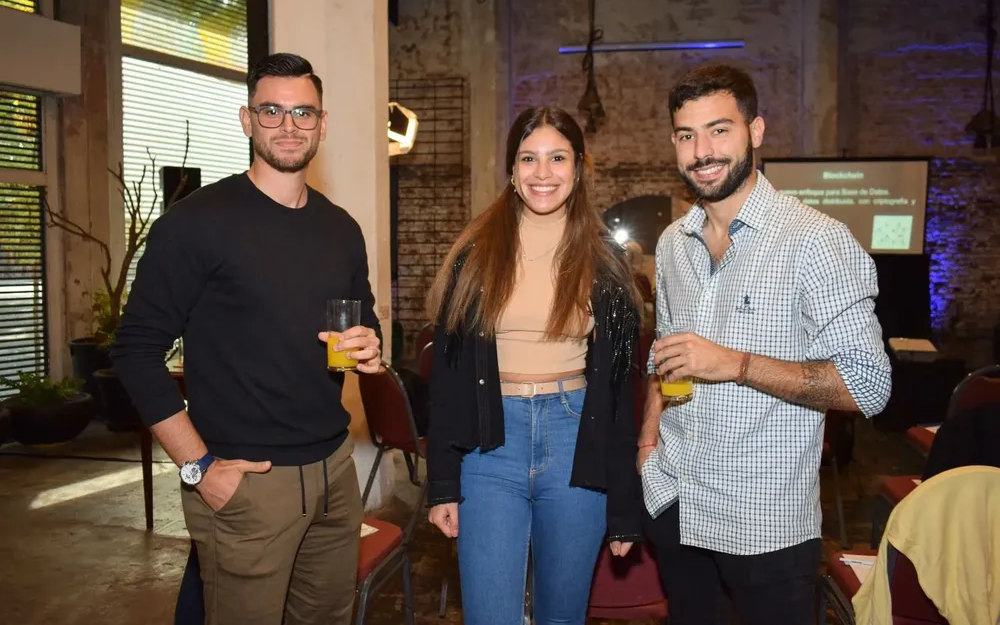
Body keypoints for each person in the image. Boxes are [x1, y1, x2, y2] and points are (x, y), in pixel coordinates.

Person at [112, 52, 383, 625]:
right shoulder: (196, 224)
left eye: (303, 112)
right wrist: (198, 469)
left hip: (335, 470)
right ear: (246, 120)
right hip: (247, 481)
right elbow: (135, 351)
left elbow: (365, 323)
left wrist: (371, 350)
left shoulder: (341, 228)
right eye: (272, 111)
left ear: (323, 124)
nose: (289, 125)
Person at [638, 64, 892, 625]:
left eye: (719, 130)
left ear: (756, 131)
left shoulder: (817, 241)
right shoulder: (672, 244)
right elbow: (665, 351)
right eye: (687, 135)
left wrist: (736, 364)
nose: (702, 151)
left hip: (765, 525)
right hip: (678, 503)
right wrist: (646, 448)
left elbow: (868, 387)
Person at [424, 106, 644, 625]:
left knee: (562, 616)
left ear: (579, 166)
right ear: (511, 168)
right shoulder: (475, 254)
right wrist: (442, 485)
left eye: (557, 158)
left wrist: (624, 508)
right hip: (489, 445)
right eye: (529, 158)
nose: (542, 173)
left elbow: (619, 395)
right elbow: (448, 379)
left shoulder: (604, 261)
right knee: (489, 616)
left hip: (575, 440)